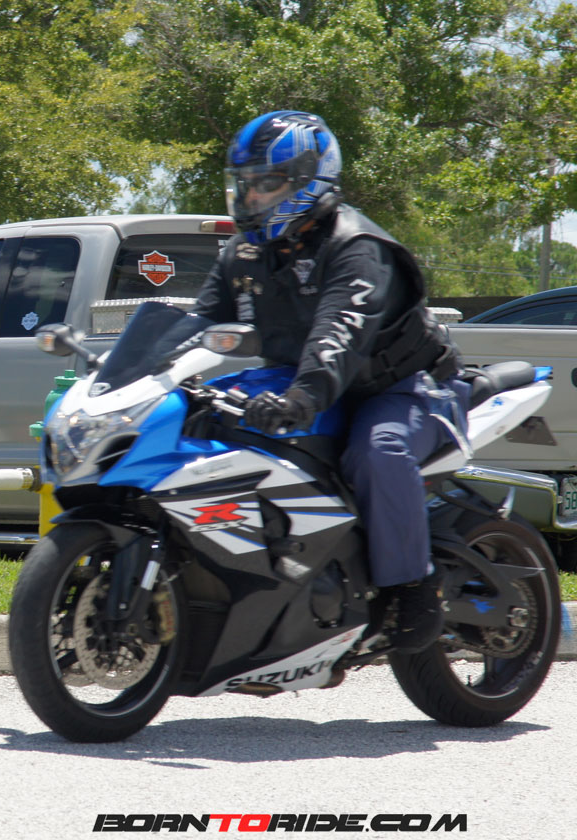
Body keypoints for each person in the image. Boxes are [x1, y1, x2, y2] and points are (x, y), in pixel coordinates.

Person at [193, 110, 470, 653]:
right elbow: (195, 324)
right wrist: (128, 371)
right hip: (305, 384)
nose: (251, 196)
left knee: (378, 451)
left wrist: (301, 397)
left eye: (266, 183)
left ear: (308, 180)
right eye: (244, 184)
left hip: (400, 388)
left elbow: (337, 333)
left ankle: (411, 588)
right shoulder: (244, 252)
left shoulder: (357, 247)